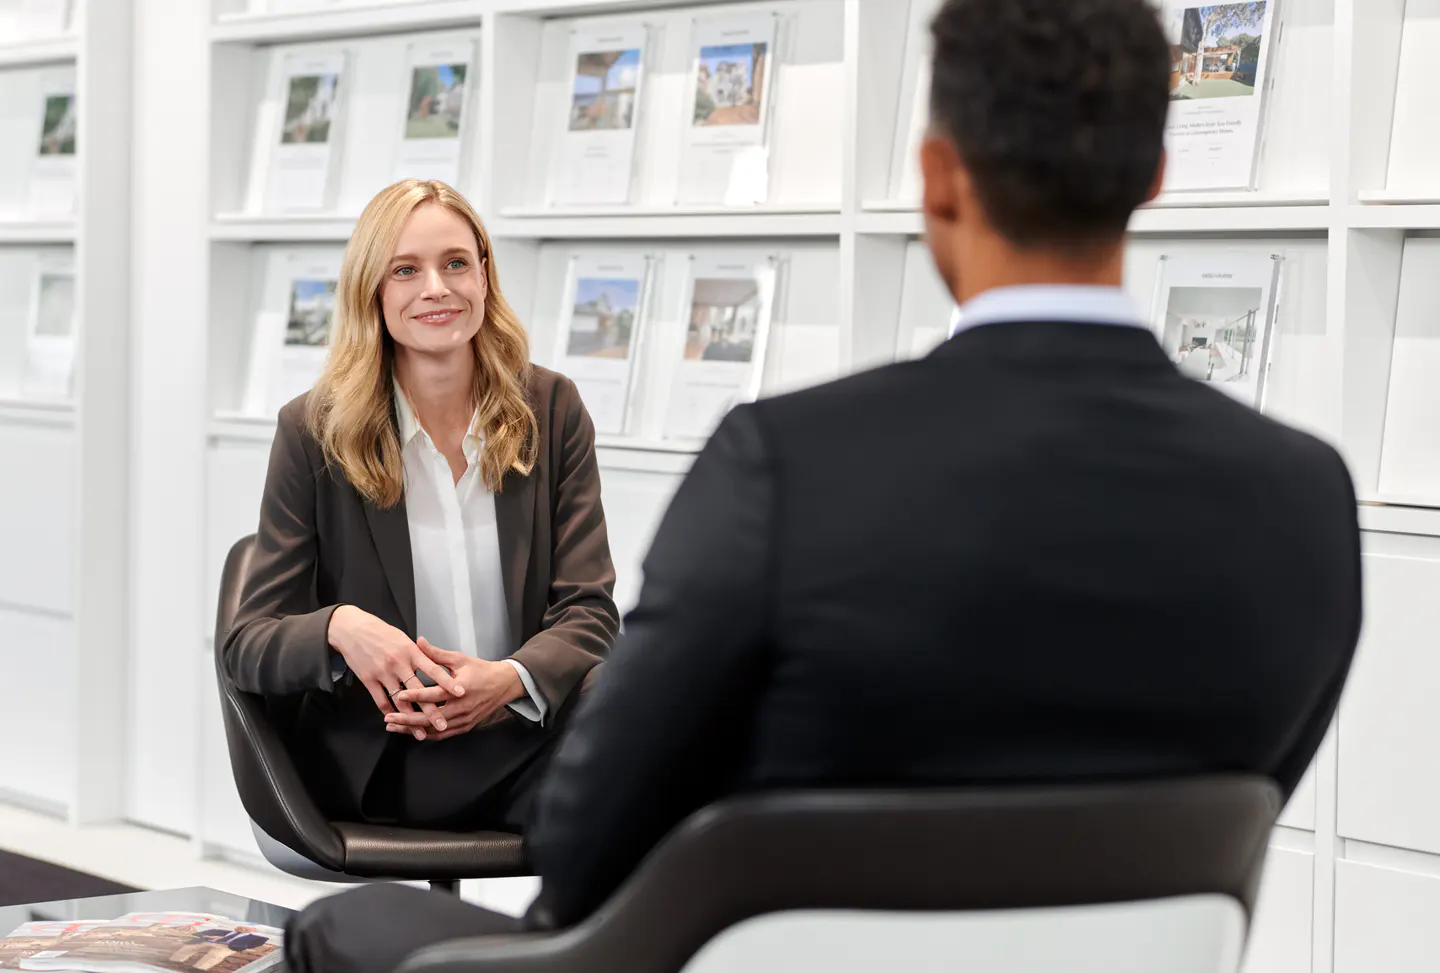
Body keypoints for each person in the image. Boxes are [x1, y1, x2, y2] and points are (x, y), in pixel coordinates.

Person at [285, 1, 1362, 969]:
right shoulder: (1307, 504)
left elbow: (586, 836)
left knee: (339, 929)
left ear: (938, 177)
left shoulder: (785, 466)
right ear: (1156, 175)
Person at [222, 179, 618, 835]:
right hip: (389, 760)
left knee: (642, 714)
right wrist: (339, 628)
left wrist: (510, 680)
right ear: (373, 291)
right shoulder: (312, 429)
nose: (436, 287)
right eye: (405, 269)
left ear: (485, 274)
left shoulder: (552, 408)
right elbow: (247, 643)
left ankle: (582, 932)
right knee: (617, 790)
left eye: (455, 263)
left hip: (525, 735)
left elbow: (591, 612)